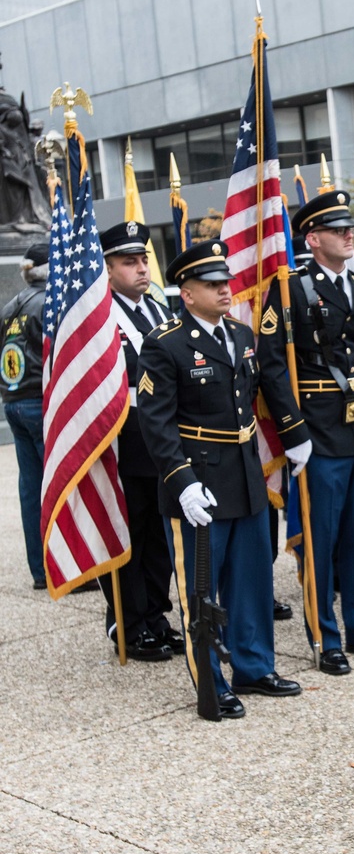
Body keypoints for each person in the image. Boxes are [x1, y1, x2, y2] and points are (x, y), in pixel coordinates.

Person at [137, 240, 306, 718]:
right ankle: (212, 683)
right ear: (186, 293)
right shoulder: (165, 343)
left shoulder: (240, 334)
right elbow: (156, 421)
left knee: (252, 581)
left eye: (224, 282)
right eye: (211, 285)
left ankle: (254, 668)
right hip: (200, 485)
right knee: (201, 593)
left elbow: (253, 398)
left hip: (245, 477)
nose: (224, 290)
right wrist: (181, 481)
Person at [256, 192, 354, 676]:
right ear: (313, 238)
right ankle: (325, 636)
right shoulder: (291, 290)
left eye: (351, 228)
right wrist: (293, 432)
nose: (350, 235)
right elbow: (273, 368)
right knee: (319, 540)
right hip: (316, 432)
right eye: (338, 229)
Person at [97, 221, 181, 660]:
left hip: (161, 434)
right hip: (122, 437)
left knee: (157, 534)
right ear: (107, 268)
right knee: (129, 532)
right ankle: (127, 623)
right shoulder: (98, 315)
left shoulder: (158, 308)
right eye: (129, 261)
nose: (141, 268)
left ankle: (155, 615)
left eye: (144, 259)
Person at [1, 238, 49, 589]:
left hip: (14, 402)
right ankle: (60, 566)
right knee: (56, 485)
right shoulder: (49, 302)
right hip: (40, 402)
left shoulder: (10, 306)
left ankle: (40, 571)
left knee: (31, 490)